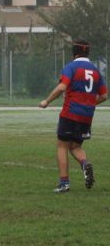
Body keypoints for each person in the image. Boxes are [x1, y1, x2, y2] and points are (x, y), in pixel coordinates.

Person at [39, 39, 107, 193]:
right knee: (76, 146)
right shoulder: (95, 71)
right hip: (87, 115)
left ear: (74, 52)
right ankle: (85, 164)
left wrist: (46, 101)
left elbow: (62, 86)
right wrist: (89, 103)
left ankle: (64, 184)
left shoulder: (71, 67)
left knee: (62, 145)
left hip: (70, 113)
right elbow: (104, 95)